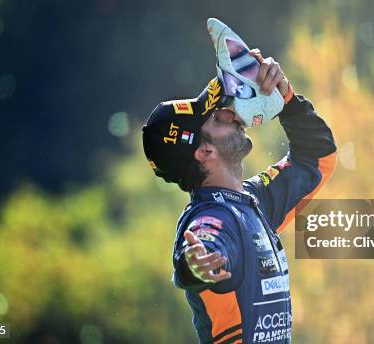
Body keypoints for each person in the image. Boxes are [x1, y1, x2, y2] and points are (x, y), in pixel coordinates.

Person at [142, 49, 337, 343]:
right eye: (218, 119)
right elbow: (202, 244)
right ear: (205, 152)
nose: (233, 114)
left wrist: (287, 100)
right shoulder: (211, 216)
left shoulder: (253, 202)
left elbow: (316, 158)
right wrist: (195, 264)